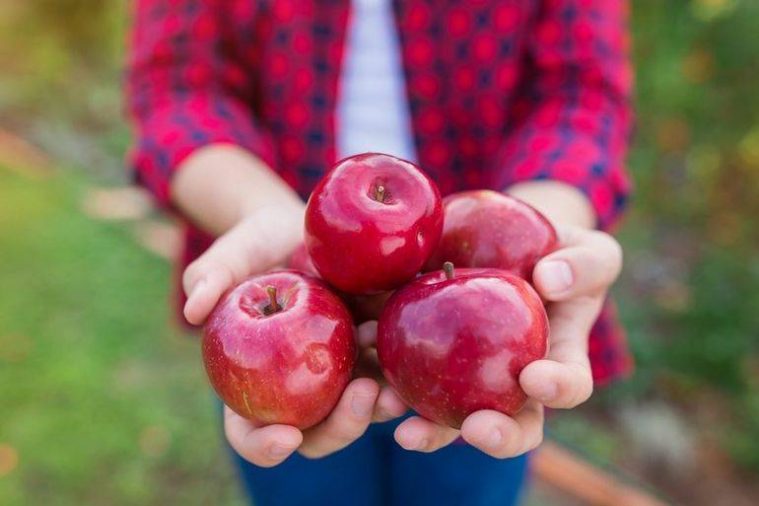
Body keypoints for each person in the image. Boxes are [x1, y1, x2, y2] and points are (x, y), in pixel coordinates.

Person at [126, 0, 633, 504]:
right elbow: (178, 89)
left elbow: (579, 93)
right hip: (288, 311)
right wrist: (259, 211)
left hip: (483, 333)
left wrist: (534, 232)